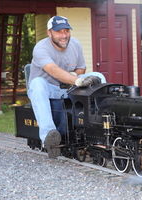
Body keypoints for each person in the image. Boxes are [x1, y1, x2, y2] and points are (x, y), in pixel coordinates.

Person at [28, 16, 106, 158]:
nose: (64, 35)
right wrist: (76, 81)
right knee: (36, 84)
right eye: (59, 32)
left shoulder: (75, 44)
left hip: (69, 87)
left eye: (66, 31)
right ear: (49, 32)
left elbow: (81, 68)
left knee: (98, 76)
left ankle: (98, 127)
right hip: (49, 89)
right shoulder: (40, 48)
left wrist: (74, 77)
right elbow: (52, 70)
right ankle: (49, 137)